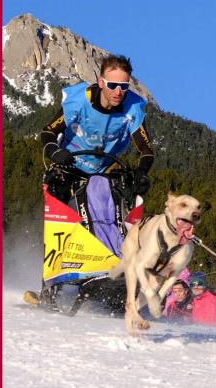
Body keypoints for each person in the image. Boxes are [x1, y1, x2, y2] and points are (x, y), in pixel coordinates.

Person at [41, 54, 156, 260]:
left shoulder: (133, 107)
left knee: (121, 197)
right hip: (70, 162)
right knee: (58, 197)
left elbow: (146, 150)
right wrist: (56, 152)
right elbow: (48, 132)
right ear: (101, 82)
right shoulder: (79, 101)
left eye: (124, 86)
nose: (118, 92)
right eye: (112, 85)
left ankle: (118, 257)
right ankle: (52, 273)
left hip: (105, 166)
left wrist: (141, 173)